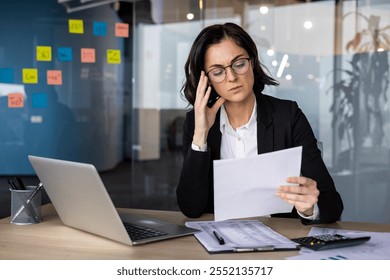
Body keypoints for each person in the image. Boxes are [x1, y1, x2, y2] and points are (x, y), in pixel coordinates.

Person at [176, 22, 343, 225]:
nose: (232, 77)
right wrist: (200, 135)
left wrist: (309, 207)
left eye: (239, 64)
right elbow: (190, 208)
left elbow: (332, 203)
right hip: (218, 242)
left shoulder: (288, 116)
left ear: (252, 62)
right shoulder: (196, 124)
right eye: (218, 71)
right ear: (207, 80)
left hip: (279, 240)